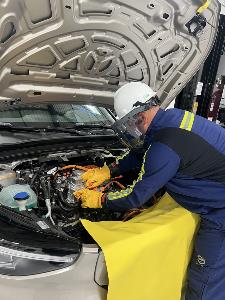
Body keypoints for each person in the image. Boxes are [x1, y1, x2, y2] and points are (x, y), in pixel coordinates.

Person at [75, 81, 225, 300]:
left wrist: (100, 200)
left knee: (205, 278)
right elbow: (143, 150)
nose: (129, 130)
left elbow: (135, 196)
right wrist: (109, 170)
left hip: (221, 213)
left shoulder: (165, 147)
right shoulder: (172, 119)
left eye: (128, 124)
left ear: (140, 117)